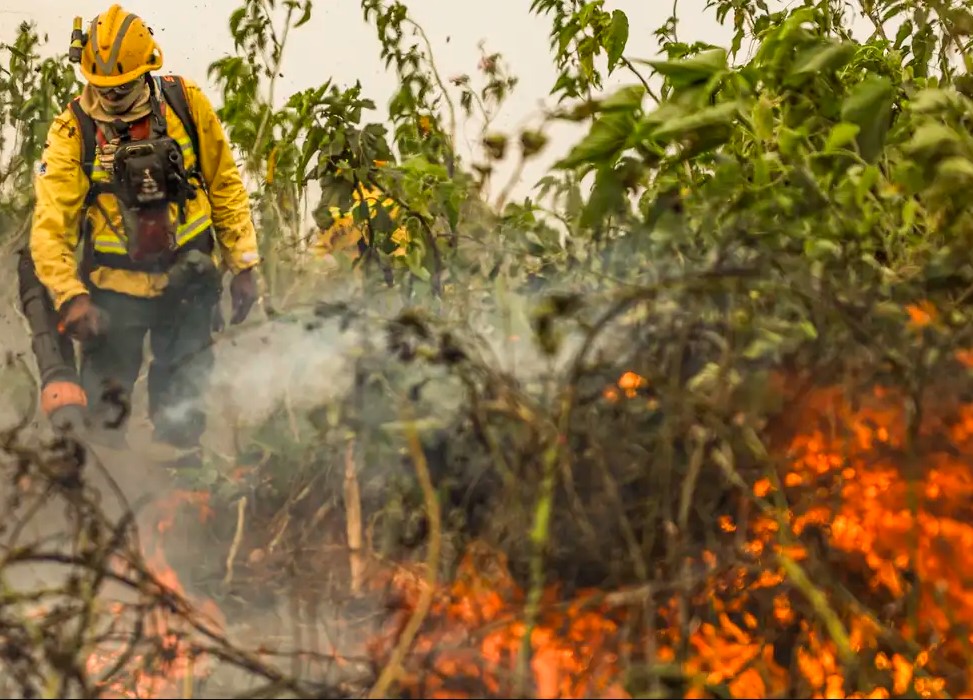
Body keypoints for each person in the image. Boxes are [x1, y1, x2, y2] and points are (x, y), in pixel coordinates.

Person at [29, 4, 260, 468]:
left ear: (147, 71)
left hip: (188, 283)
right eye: (103, 87)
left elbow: (225, 184)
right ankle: (109, 495)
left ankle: (185, 494)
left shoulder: (185, 103)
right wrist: (72, 296)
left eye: (122, 87)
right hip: (115, 294)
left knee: (183, 408)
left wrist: (244, 264)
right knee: (104, 417)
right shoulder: (73, 129)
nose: (111, 97)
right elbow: (51, 226)